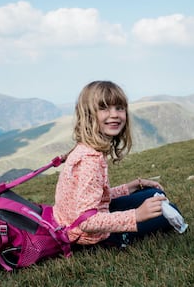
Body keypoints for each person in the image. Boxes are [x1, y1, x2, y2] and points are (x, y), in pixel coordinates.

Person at [53, 81, 184, 248]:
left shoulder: (85, 149)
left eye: (119, 108)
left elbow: (93, 198)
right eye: (104, 108)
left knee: (154, 193)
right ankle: (119, 240)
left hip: (72, 224)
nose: (114, 114)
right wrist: (136, 215)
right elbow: (87, 221)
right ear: (88, 115)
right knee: (170, 211)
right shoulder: (90, 160)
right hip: (88, 237)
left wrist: (130, 187)